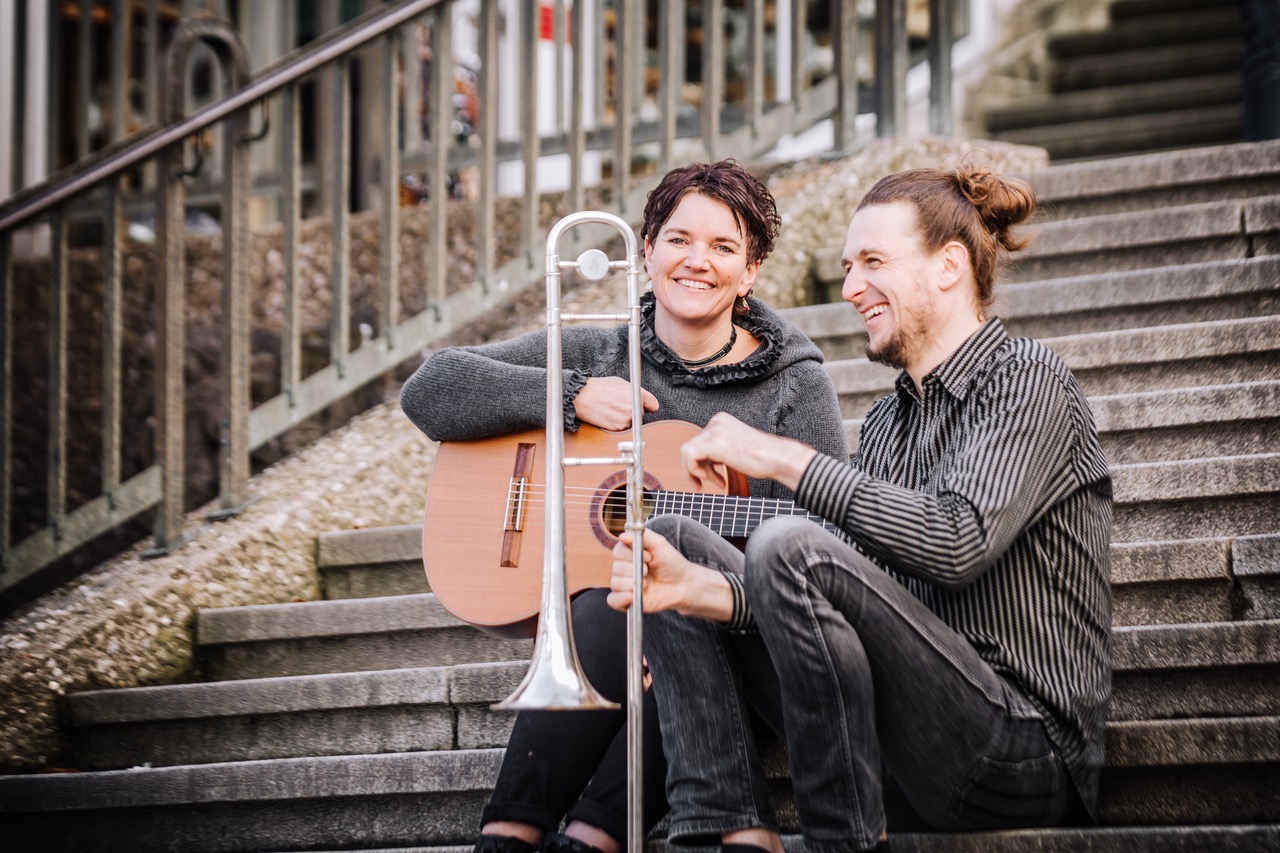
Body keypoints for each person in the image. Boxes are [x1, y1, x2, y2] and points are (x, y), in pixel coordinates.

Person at [609, 161, 1114, 853]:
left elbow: (956, 541)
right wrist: (713, 594)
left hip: (1016, 750)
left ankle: (841, 844)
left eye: (873, 261)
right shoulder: (885, 425)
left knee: (791, 541)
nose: (850, 288)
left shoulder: (1027, 379)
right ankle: (724, 828)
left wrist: (784, 457)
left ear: (949, 265)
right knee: (673, 538)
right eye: (847, 266)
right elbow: (839, 606)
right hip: (902, 741)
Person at [399, 159, 849, 853]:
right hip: (610, 626)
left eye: (724, 247)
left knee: (646, 602)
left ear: (751, 271)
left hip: (738, 628)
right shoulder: (602, 348)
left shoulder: (794, 386)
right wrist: (570, 394)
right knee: (610, 602)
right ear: (646, 251)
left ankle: (586, 836)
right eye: (678, 239)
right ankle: (511, 832)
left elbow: (822, 544)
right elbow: (431, 388)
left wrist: (679, 617)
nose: (697, 261)